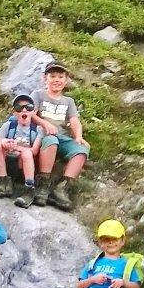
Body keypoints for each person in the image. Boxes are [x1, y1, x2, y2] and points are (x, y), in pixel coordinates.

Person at [25, 63, 89, 211]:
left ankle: (62, 188)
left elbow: (74, 121)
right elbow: (30, 113)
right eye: (52, 76)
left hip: (62, 135)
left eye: (60, 77)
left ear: (66, 81)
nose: (57, 80)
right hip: (43, 134)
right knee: (51, 140)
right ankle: (43, 185)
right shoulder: (38, 94)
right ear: (45, 79)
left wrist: (78, 136)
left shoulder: (68, 101)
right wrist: (44, 123)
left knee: (81, 149)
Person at [0, 93, 40, 199]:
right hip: (7, 161)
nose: (24, 110)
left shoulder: (38, 129)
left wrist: (16, 147)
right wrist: (5, 142)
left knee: (27, 153)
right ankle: (3, 181)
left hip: (24, 164)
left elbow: (34, 150)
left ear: (34, 111)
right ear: (14, 112)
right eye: (19, 108)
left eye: (28, 107)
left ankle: (29, 187)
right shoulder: (9, 125)